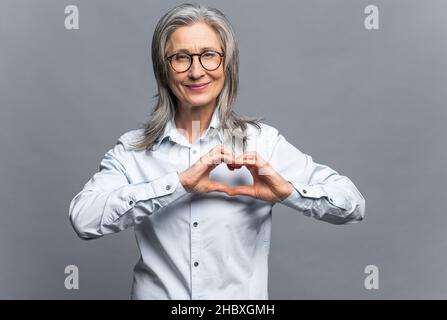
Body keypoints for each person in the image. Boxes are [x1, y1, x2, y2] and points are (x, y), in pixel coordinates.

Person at [69, 3, 366, 300]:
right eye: (181, 58)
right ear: (164, 68)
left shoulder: (262, 143)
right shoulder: (132, 151)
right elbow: (84, 219)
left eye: (209, 55)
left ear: (227, 64)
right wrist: (178, 184)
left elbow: (352, 205)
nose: (196, 71)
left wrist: (287, 192)